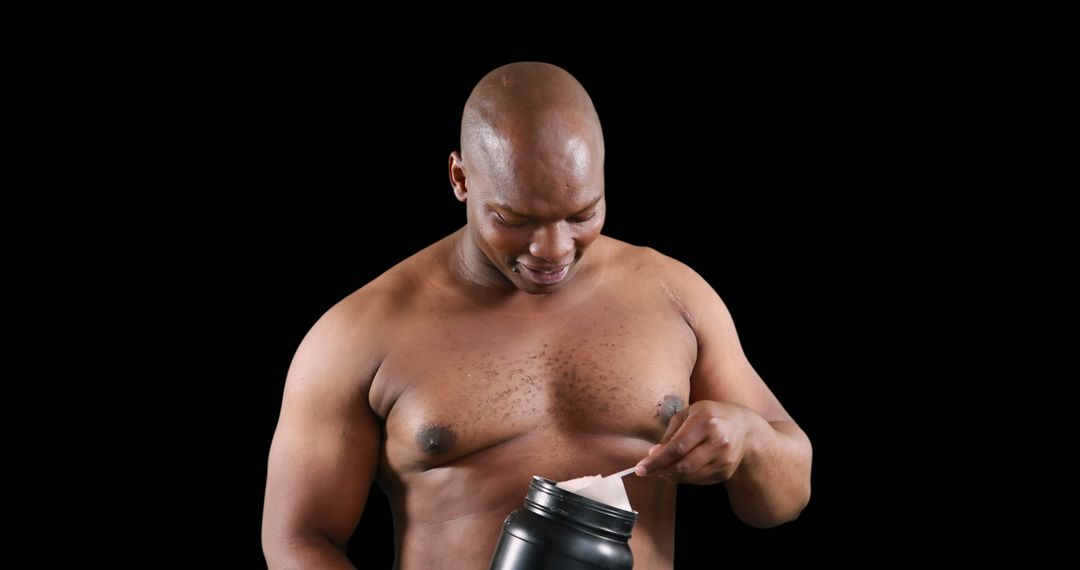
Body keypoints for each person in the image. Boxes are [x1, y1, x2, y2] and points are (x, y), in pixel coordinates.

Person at [262, 61, 812, 569]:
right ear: (460, 180)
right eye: (515, 218)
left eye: (581, 214)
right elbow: (297, 538)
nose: (553, 250)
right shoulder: (359, 332)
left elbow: (784, 500)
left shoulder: (673, 295)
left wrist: (750, 441)